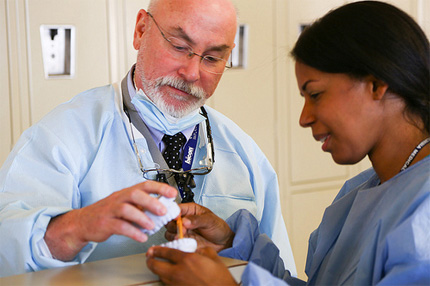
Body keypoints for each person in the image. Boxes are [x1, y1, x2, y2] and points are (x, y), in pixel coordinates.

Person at [0, 0, 296, 277]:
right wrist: (78, 225)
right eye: (180, 46)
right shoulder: (61, 136)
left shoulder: (244, 152)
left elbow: (278, 273)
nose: (192, 73)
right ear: (141, 30)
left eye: (212, 58)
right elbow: (7, 247)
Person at [146, 1, 430, 285]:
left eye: (315, 94)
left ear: (377, 85)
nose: (304, 118)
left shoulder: (423, 210)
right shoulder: (359, 193)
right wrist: (233, 246)